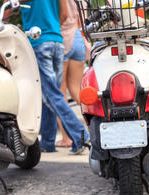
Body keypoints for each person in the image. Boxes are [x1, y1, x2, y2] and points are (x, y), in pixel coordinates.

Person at [7, 0, 89, 154]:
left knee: (52, 94)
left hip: (38, 41)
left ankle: (80, 136)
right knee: (49, 94)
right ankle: (48, 142)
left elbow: (8, 8)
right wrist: (51, 28)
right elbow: (64, 14)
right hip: (57, 40)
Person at [56, 0, 90, 148]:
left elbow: (61, 16)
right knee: (77, 91)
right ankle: (95, 126)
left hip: (63, 37)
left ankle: (66, 138)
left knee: (60, 92)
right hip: (78, 38)